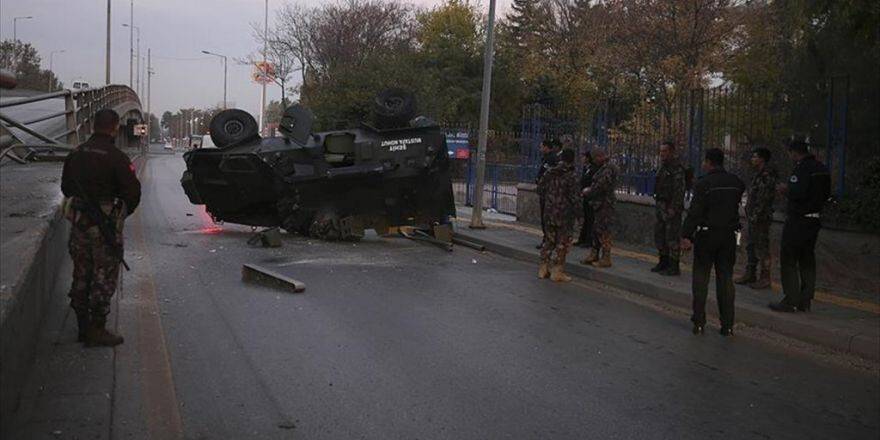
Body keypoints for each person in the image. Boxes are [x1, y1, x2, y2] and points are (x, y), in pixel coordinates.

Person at [61, 109, 141, 347]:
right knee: (103, 275)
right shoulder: (117, 157)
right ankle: (97, 328)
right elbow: (132, 193)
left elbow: (66, 187)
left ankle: (82, 327)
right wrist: (117, 215)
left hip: (79, 223)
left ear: (93, 126)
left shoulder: (75, 154)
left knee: (81, 272)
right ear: (115, 127)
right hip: (105, 226)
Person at [681, 148, 745, 336]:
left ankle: (699, 321)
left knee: (701, 278)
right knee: (725, 279)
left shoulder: (704, 183)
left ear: (708, 162)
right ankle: (727, 324)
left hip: (707, 235)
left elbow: (695, 212)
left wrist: (686, 235)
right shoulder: (736, 182)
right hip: (728, 236)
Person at [769, 140, 830, 313]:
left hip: (798, 219)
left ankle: (791, 300)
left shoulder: (802, 168)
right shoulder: (822, 168)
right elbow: (826, 193)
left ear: (795, 152)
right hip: (814, 219)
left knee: (789, 259)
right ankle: (805, 300)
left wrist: (784, 189)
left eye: (790, 153)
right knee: (807, 260)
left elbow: (797, 192)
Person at [735, 147, 778, 289]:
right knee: (751, 245)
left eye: (755, 157)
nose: (753, 159)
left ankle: (765, 277)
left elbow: (764, 199)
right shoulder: (757, 174)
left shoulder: (767, 175)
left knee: (762, 248)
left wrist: (756, 215)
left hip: (760, 217)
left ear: (762, 159)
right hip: (753, 216)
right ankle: (750, 273)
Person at [537, 148, 581, 282]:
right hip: (564, 214)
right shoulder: (572, 176)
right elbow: (575, 198)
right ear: (572, 159)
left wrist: (550, 199)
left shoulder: (550, 172)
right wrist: (580, 215)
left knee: (549, 240)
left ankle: (543, 267)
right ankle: (557, 271)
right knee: (562, 242)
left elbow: (539, 188)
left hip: (549, 212)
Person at [651, 141, 687, 276]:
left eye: (665, 151)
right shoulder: (663, 167)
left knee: (672, 236)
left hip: (671, 206)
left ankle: (673, 265)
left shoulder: (677, 169)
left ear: (672, 152)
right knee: (660, 234)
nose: (662, 154)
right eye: (661, 152)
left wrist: (674, 207)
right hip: (661, 205)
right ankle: (663, 261)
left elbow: (679, 190)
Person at [580, 148, 618, 268]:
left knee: (604, 231)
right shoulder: (602, 168)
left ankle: (606, 257)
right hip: (598, 204)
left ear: (600, 156)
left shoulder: (608, 168)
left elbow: (601, 185)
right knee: (596, 230)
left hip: (605, 204)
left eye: (595, 158)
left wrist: (589, 190)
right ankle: (594, 253)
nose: (594, 161)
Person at [535, 138, 560, 249]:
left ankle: (549, 240)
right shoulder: (547, 158)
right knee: (545, 217)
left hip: (549, 192)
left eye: (541, 146)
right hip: (545, 191)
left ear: (546, 147)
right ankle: (547, 239)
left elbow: (549, 174)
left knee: (547, 218)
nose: (540, 149)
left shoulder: (552, 158)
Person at [574, 150, 598, 249]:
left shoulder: (593, 169)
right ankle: (582, 239)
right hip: (584, 196)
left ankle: (588, 240)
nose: (582, 159)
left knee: (590, 219)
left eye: (584, 157)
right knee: (585, 219)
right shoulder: (586, 168)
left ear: (588, 158)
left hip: (590, 197)